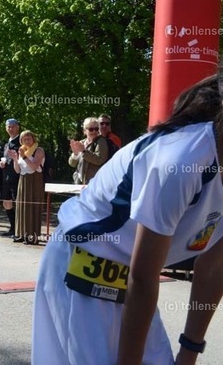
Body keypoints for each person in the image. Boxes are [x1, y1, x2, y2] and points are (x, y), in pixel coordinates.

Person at [32, 74, 223, 364]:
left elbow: (214, 267)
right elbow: (143, 278)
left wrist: (189, 352)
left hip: (131, 280)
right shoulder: (181, 160)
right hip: (85, 261)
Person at [9, 130, 44, 244]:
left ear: (33, 139)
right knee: (22, 207)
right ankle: (22, 233)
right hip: (23, 180)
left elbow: (34, 166)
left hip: (35, 180)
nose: (27, 140)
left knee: (32, 207)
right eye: (24, 139)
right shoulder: (22, 150)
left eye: (29, 138)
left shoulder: (38, 150)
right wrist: (15, 159)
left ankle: (33, 236)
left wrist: (24, 157)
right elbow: (17, 170)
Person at [69, 117, 109, 185]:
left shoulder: (101, 141)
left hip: (95, 183)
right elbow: (72, 164)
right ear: (84, 131)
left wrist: (84, 151)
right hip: (80, 183)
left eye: (96, 129)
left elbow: (99, 160)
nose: (94, 131)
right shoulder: (81, 143)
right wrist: (75, 154)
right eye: (91, 129)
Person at [0, 118, 21, 237]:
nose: (10, 129)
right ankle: (12, 227)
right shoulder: (6, 144)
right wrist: (2, 163)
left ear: (17, 127)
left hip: (17, 177)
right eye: (8, 127)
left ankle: (18, 229)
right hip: (6, 177)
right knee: (6, 202)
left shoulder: (21, 142)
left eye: (13, 126)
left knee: (17, 203)